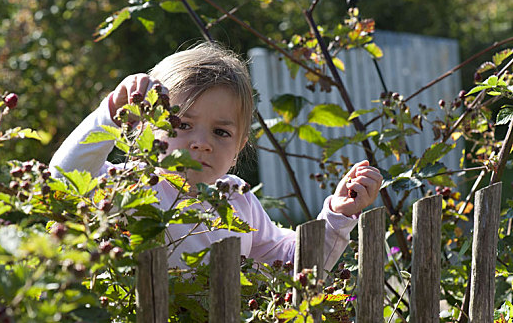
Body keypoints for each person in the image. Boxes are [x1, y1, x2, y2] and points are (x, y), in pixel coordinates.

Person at [50, 42, 383, 271]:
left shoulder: (236, 200)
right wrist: (112, 112)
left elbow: (293, 263)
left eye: (221, 132)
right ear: (143, 126)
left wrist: (338, 215)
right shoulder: (129, 187)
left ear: (239, 146)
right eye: (181, 125)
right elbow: (65, 179)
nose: (201, 143)